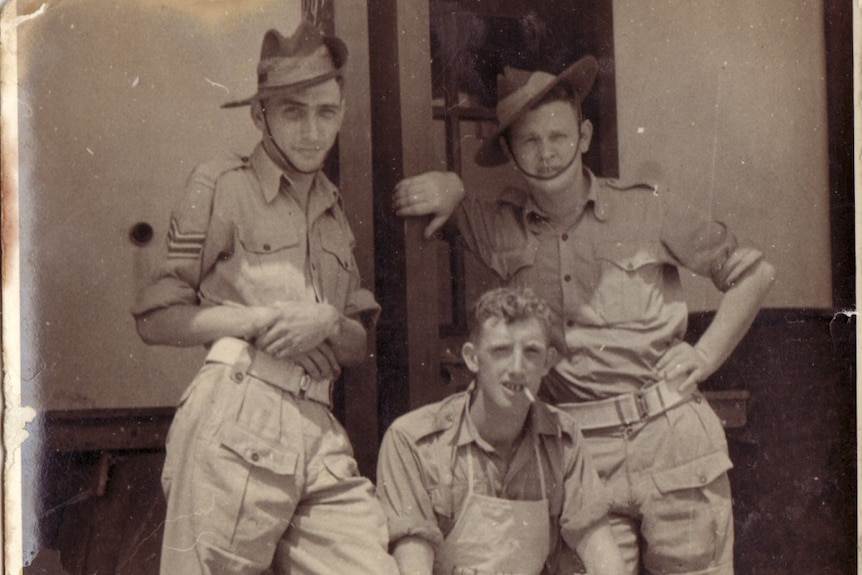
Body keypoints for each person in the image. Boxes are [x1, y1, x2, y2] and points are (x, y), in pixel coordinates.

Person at [392, 56, 776, 575]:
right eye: (529, 141)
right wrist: (451, 186)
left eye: (559, 135)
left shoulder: (647, 210)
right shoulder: (498, 226)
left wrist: (704, 355)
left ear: (585, 134)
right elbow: (449, 201)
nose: (547, 153)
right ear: (509, 152)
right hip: (577, 458)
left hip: (671, 439)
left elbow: (754, 275)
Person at [133, 21, 399, 575]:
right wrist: (262, 320)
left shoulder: (331, 205)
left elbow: (356, 341)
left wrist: (324, 319)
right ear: (261, 117)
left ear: (343, 113)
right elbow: (157, 317)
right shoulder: (221, 185)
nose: (311, 131)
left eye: (326, 112)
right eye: (292, 112)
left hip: (319, 430)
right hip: (238, 410)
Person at [376, 287, 625, 575]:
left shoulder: (563, 439)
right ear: (472, 358)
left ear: (547, 362)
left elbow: (602, 555)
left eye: (531, 352)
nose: (517, 368)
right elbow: (412, 567)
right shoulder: (413, 441)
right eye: (501, 351)